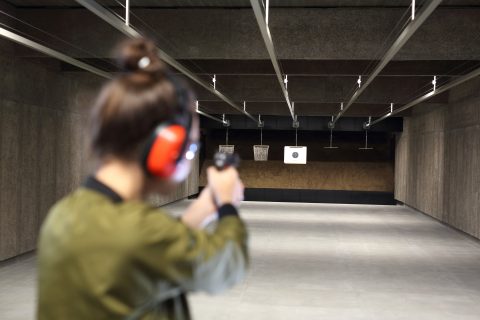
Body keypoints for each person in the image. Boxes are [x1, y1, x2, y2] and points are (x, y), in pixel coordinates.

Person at [37, 38, 248, 320]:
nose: (189, 155)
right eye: (191, 147)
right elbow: (226, 266)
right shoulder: (139, 234)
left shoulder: (64, 215)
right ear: (165, 146)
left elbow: (144, 253)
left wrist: (202, 209)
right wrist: (226, 205)